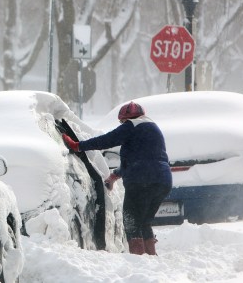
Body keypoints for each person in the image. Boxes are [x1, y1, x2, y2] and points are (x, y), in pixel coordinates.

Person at [62, 101, 172, 256]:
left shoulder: (131, 126)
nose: (122, 124)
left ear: (124, 119)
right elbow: (145, 158)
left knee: (131, 221)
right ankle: (151, 258)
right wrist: (115, 175)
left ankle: (139, 259)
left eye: (122, 122)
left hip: (141, 180)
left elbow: (106, 140)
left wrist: (78, 146)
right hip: (163, 180)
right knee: (144, 221)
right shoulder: (153, 127)